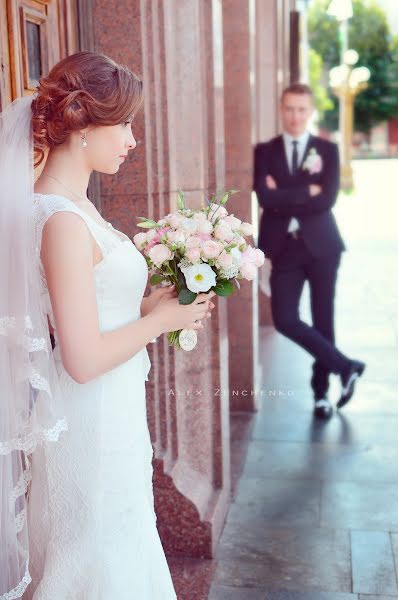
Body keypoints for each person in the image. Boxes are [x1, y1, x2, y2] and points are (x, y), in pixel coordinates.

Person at [0, 52, 216, 600]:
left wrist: (148, 307)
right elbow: (82, 357)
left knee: (117, 544)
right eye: (123, 124)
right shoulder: (64, 220)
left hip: (110, 411)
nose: (131, 139)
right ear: (82, 125)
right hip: (89, 419)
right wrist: (161, 320)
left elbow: (88, 308)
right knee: (94, 557)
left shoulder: (72, 205)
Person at [253, 83, 365, 420]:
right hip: (283, 249)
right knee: (285, 319)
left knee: (323, 319)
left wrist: (284, 192)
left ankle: (321, 395)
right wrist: (305, 191)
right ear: (281, 108)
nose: (295, 116)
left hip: (322, 248)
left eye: (302, 109)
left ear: (311, 111)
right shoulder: (265, 151)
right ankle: (346, 367)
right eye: (289, 108)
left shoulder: (326, 151)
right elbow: (264, 197)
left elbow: (327, 198)